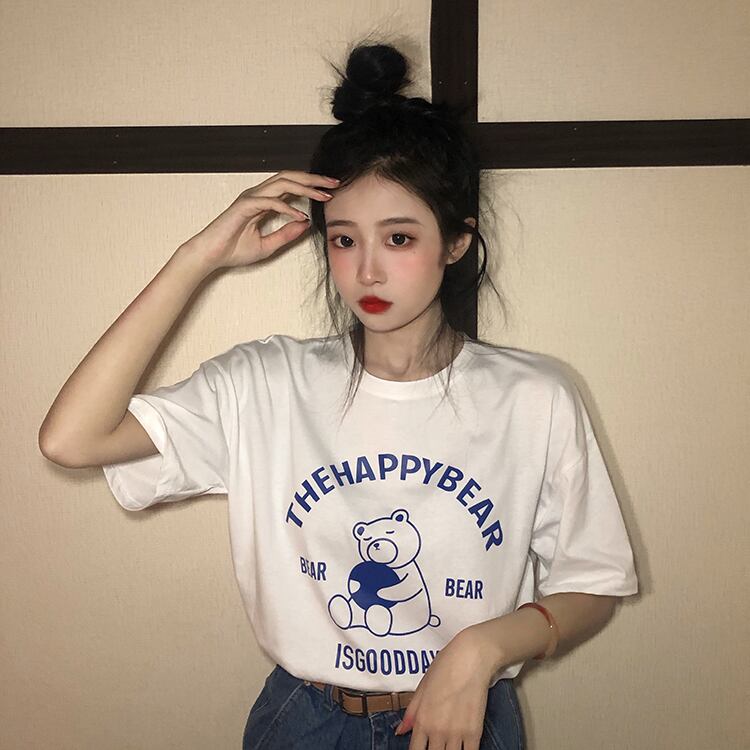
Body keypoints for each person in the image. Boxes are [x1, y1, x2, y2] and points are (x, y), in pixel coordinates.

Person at [39, 39, 638, 750]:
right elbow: (71, 440)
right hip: (306, 721)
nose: (368, 271)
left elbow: (594, 580)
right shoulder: (266, 384)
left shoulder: (534, 398)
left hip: (461, 722)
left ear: (455, 243)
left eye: (399, 238)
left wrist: (482, 649)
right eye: (345, 240)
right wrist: (197, 258)